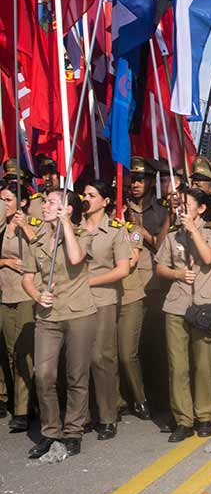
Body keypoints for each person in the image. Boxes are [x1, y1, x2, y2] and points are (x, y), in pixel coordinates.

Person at [22, 189, 96, 458]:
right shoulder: (37, 239)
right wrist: (37, 295)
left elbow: (76, 258)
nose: (44, 206)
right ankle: (51, 432)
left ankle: (74, 431)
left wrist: (66, 223)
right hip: (48, 315)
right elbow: (27, 278)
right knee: (44, 375)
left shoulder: (82, 233)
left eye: (51, 202)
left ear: (67, 209)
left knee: (76, 375)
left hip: (78, 313)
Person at [154, 187, 211, 441]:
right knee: (178, 365)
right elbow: (160, 266)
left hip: (205, 304)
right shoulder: (173, 235)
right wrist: (177, 274)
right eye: (178, 204)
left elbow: (207, 257)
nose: (180, 208)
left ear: (201, 208)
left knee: (204, 364)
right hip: (177, 305)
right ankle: (183, 419)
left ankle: (205, 415)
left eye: (186, 204)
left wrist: (193, 230)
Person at [80, 180, 133, 440]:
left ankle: (108, 415)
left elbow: (122, 269)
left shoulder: (115, 230)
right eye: (84, 193)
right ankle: (84, 415)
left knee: (101, 357)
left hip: (102, 298)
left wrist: (88, 281)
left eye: (92, 194)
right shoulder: (73, 227)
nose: (86, 198)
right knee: (78, 357)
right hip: (74, 301)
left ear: (105, 201)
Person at [118, 156, 168, 421]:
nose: (134, 184)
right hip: (126, 285)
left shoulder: (160, 212)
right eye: (132, 179)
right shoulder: (119, 208)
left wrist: (139, 228)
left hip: (154, 285)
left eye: (140, 179)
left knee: (154, 344)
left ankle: (159, 395)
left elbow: (161, 245)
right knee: (129, 348)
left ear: (150, 182)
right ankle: (133, 397)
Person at [0, 183, 34, 433]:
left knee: (23, 352)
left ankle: (23, 410)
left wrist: (25, 226)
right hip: (4, 293)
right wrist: (6, 261)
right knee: (9, 351)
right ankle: (11, 400)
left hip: (25, 293)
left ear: (21, 202)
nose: (4, 204)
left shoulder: (32, 223)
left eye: (8, 199)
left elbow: (44, 248)